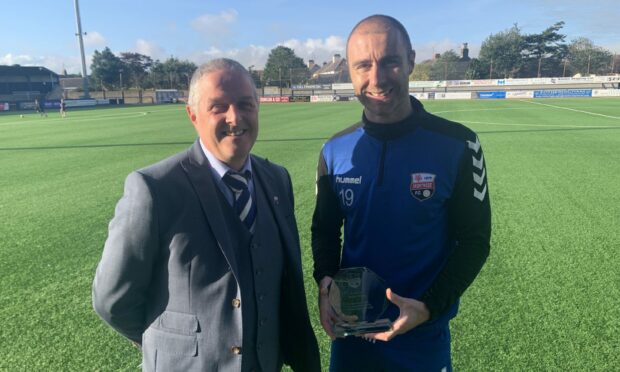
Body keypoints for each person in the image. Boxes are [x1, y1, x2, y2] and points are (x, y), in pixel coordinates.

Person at [93, 58, 320, 372]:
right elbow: (112, 300)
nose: (235, 117)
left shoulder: (277, 179)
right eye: (218, 107)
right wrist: (171, 345)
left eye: (245, 104)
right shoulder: (154, 188)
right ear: (193, 115)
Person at [311, 15, 491, 371]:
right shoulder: (334, 150)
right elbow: (325, 229)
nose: (376, 79)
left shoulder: (460, 144)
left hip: (422, 341)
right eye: (364, 65)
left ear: (410, 60)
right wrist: (325, 282)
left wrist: (428, 306)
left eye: (390, 62)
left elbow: (474, 241)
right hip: (353, 342)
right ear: (349, 70)